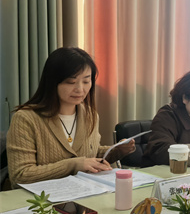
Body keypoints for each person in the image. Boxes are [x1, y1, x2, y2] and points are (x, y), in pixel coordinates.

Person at [7, 47, 135, 186]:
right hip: (43, 198)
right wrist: (73, 165)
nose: (80, 89)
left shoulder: (90, 115)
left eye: (86, 81)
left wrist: (116, 151)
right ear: (52, 82)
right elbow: (20, 175)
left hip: (84, 193)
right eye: (71, 82)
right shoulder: (26, 119)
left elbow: (91, 153)